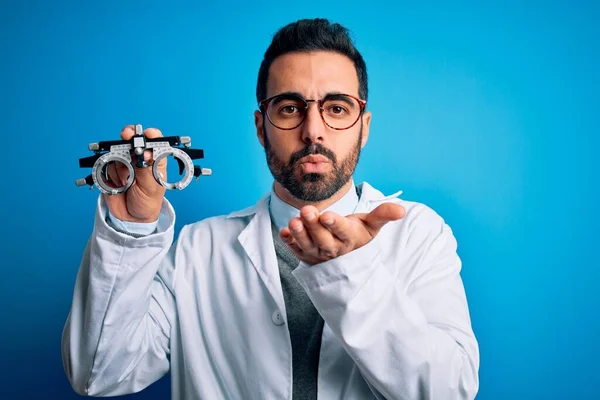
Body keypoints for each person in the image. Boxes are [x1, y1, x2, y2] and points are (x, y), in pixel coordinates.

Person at [62, 18, 479, 400]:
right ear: (261, 128)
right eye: (290, 109)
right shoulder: (197, 250)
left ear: (363, 127)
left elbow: (449, 391)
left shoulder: (418, 232)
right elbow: (99, 373)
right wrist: (130, 229)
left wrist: (353, 271)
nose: (313, 131)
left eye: (336, 108)